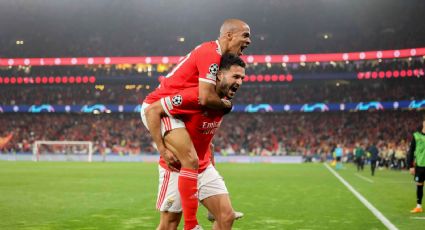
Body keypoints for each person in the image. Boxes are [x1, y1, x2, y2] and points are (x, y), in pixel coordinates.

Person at [140, 19, 250, 229]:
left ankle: (202, 215)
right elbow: (205, 98)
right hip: (156, 107)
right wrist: (163, 150)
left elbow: (207, 138)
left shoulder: (218, 70)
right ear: (229, 35)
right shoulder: (209, 60)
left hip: (200, 160)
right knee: (170, 222)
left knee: (225, 217)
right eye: (245, 35)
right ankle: (191, 225)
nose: (249, 41)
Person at [407, 115, 425, 213]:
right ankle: (419, 206)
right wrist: (410, 166)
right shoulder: (416, 135)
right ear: (423, 123)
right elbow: (411, 151)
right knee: (419, 185)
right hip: (420, 166)